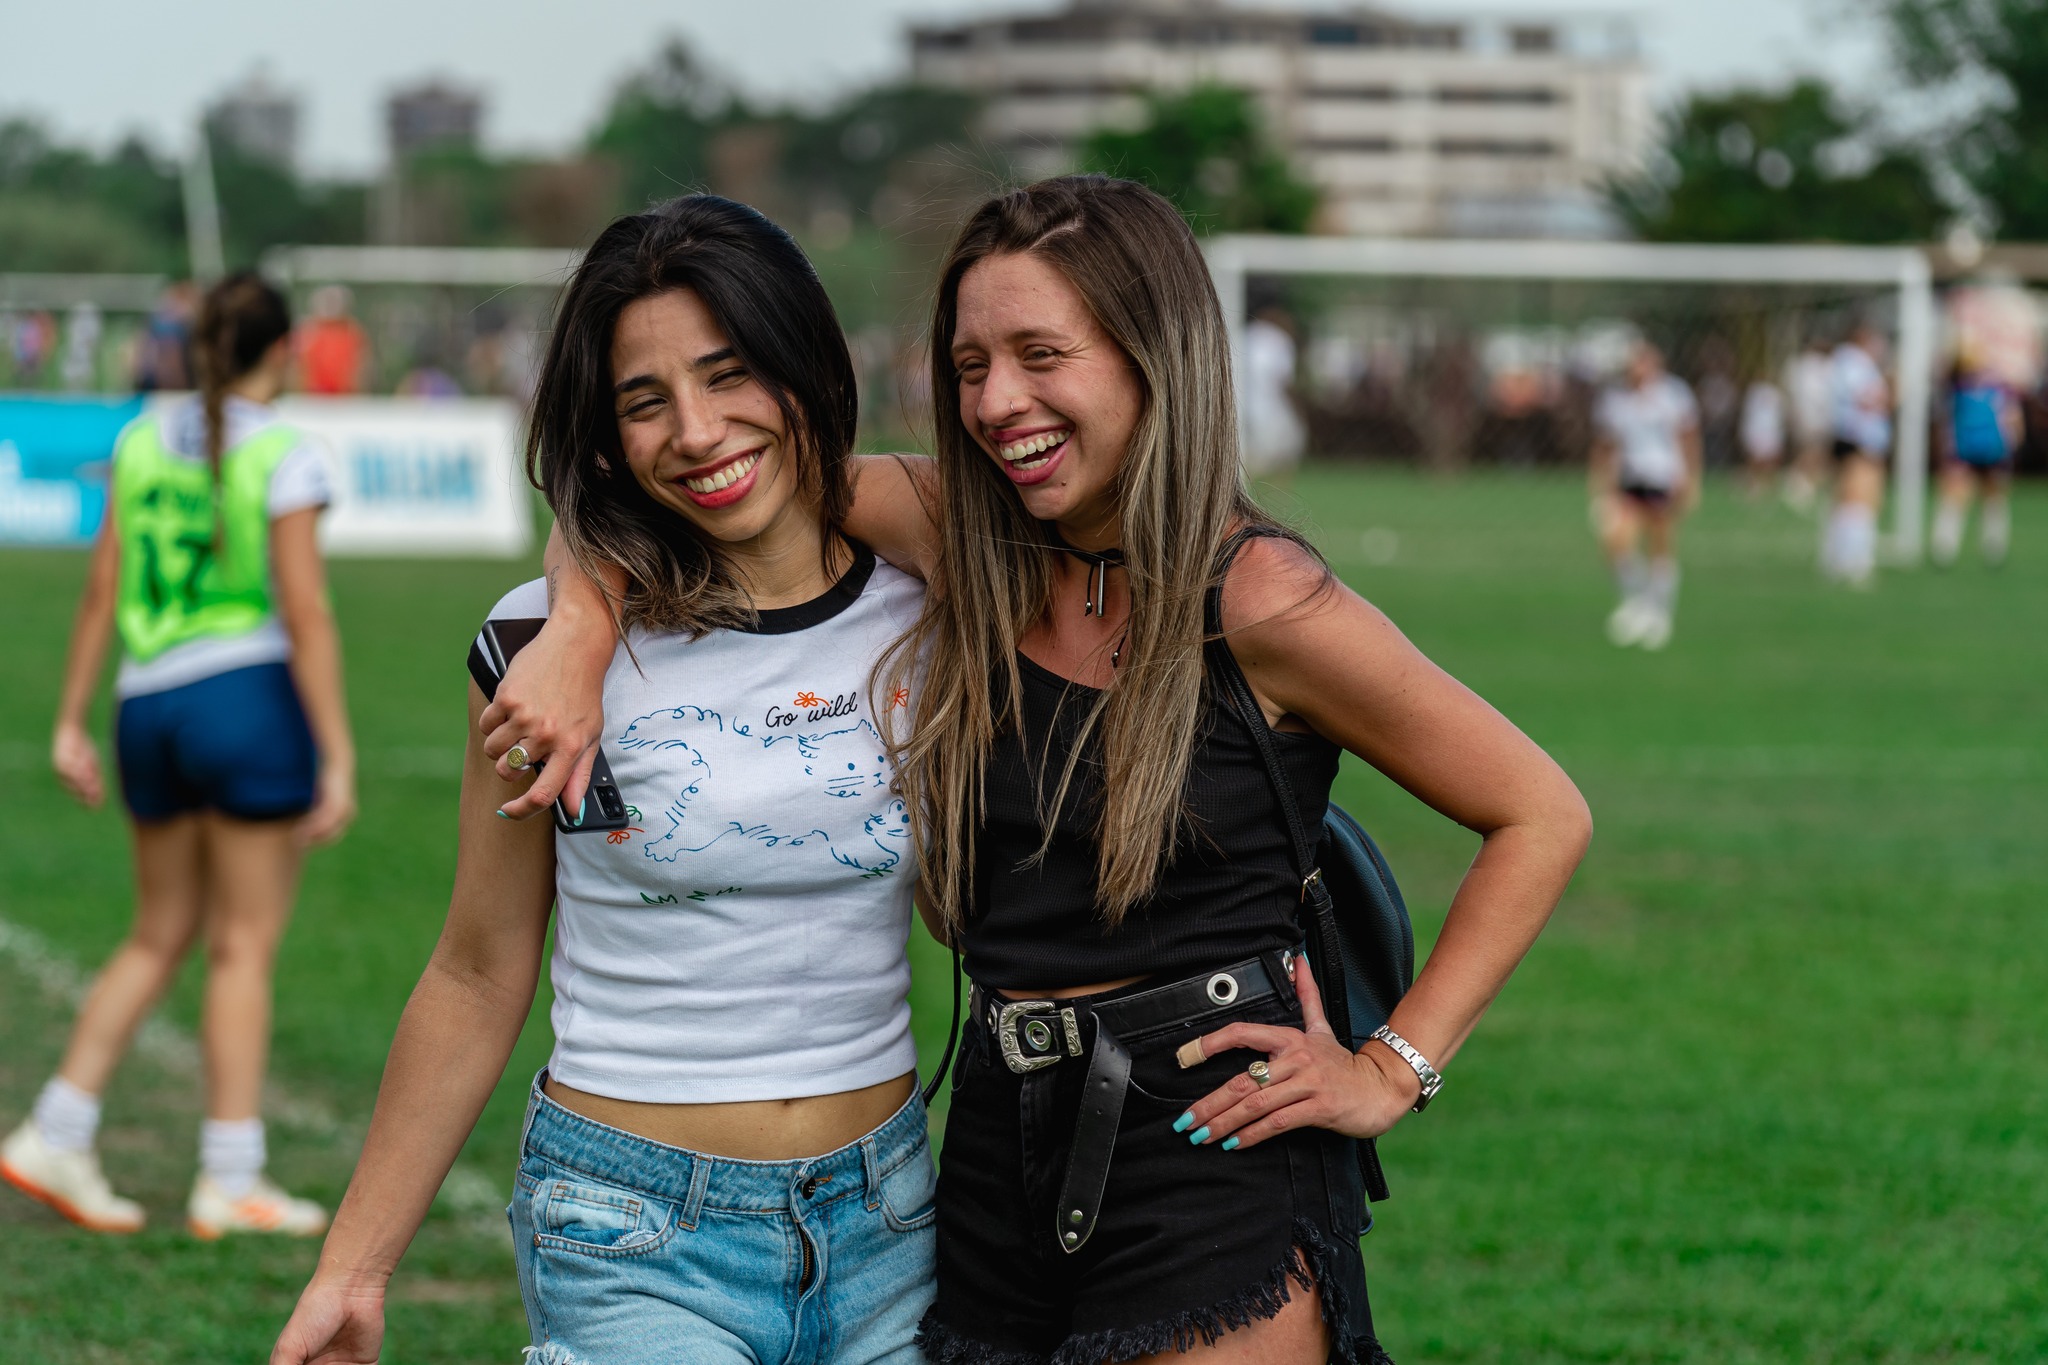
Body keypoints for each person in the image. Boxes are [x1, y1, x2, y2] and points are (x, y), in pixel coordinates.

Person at [499, 175, 1591, 1365]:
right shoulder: (958, 533)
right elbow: (669, 486)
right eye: (969, 365)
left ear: (1148, 358)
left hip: (1210, 1151)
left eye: (1039, 355)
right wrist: (578, 635)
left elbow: (1537, 811)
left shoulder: (1262, 599)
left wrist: (1394, 1068)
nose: (996, 401)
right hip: (989, 1162)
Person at [271, 196, 936, 1365]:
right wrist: (353, 1268)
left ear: (804, 364)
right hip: (630, 1230)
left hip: (892, 1222)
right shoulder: (531, 648)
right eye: (644, 401)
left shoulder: (931, 604)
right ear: (604, 432)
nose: (694, 430)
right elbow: (478, 971)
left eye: (730, 374)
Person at [4, 272, 355, 1238]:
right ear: (278, 351)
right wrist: (337, 754)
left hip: (143, 706)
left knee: (157, 932)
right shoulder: (285, 450)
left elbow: (100, 587)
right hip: (242, 700)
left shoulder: (141, 436)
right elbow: (306, 610)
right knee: (241, 943)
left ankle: (58, 1128)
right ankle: (231, 1176)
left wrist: (71, 719)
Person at [1589, 340, 1701, 650]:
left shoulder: (1672, 395)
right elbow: (1607, 444)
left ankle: (1660, 611)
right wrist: (1601, 484)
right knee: (1615, 541)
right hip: (1630, 479)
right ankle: (1636, 601)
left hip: (1664, 477)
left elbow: (1688, 437)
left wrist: (1691, 478)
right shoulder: (1616, 400)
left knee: (1659, 542)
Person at [1930, 351, 2021, 568]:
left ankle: (1944, 547)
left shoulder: (1956, 391)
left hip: (1963, 450)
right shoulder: (1999, 391)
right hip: (1993, 451)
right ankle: (1994, 547)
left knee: (1955, 499)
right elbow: (2013, 422)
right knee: (1993, 500)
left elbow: (1946, 424)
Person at [1821, 322, 1892, 588]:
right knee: (1860, 500)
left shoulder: (1845, 361)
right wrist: (1891, 392)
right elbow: (1866, 398)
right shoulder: (1853, 361)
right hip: (1859, 438)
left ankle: (1838, 557)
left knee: (1850, 500)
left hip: (1852, 437)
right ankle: (1854, 561)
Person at [1241, 302, 1308, 486]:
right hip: (1271, 409)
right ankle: (1278, 496)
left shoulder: (1244, 334)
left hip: (1240, 406)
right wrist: (1298, 405)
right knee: (1289, 447)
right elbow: (1283, 380)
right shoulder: (1279, 339)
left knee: (1254, 456)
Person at [1783, 337, 1834, 512]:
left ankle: (1805, 483)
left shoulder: (1799, 366)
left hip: (1811, 415)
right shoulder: (1812, 366)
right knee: (1812, 451)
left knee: (1815, 452)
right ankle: (1798, 482)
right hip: (1814, 416)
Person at [296, 285, 368, 396]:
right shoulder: (309, 331)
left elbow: (358, 367)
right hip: (314, 396)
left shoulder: (352, 332)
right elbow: (302, 368)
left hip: (344, 397)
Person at [1739, 376, 1786, 500]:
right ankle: (1753, 485)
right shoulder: (1754, 392)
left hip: (1771, 431)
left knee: (1771, 460)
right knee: (1755, 459)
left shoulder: (1775, 393)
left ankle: (1767, 485)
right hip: (1757, 430)